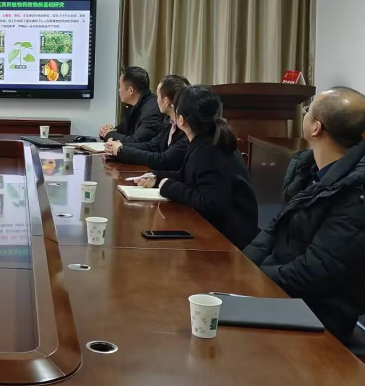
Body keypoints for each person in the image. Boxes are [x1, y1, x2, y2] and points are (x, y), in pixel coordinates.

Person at [243, 87, 365, 342]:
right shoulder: (311, 168)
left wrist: (255, 278)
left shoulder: (362, 201)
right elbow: (277, 224)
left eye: (307, 111)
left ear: (316, 127)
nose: (304, 115)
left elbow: (314, 272)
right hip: (285, 291)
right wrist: (242, 265)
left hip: (318, 313)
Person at [137, 85, 258, 250]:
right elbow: (187, 176)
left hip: (229, 238)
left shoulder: (210, 150)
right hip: (220, 227)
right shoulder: (206, 139)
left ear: (181, 120)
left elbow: (211, 204)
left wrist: (169, 186)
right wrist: (156, 178)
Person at [106, 74, 190, 170]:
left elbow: (163, 160)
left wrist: (122, 150)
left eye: (158, 96)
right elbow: (152, 146)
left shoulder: (186, 128)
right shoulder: (169, 121)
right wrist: (119, 146)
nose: (156, 100)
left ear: (166, 101)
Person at [99, 66, 163, 144]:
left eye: (120, 86)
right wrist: (109, 131)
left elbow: (135, 142)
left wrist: (109, 134)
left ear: (130, 90)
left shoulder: (152, 112)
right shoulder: (132, 106)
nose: (119, 90)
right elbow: (123, 130)